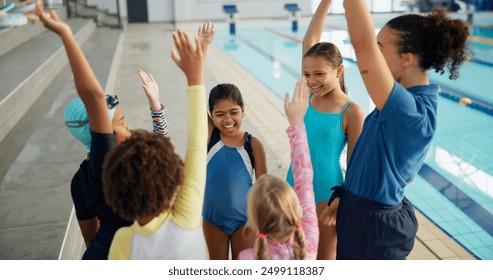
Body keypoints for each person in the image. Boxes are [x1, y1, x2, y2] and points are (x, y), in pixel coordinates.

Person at [322, 1, 469, 259]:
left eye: (381, 50)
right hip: (363, 214)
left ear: (406, 59)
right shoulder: (408, 106)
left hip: (373, 227)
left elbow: (362, 44)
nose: (374, 58)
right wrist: (347, 199)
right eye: (376, 49)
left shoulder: (408, 111)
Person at [35, 0, 168, 259]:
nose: (127, 125)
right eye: (120, 123)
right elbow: (94, 95)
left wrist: (156, 107)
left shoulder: (80, 180)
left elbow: (89, 237)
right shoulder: (107, 162)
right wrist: (66, 34)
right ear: (100, 134)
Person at [102, 28, 209, 260]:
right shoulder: (187, 216)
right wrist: (195, 79)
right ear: (171, 179)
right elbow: (198, 145)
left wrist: (156, 105)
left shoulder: (123, 241)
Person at [285, 0, 365, 260]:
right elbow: (310, 38)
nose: (311, 81)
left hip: (327, 193)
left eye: (319, 74)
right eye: (307, 75)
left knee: (324, 259)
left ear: (338, 70)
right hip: (291, 183)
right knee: (289, 254)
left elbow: (355, 166)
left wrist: (343, 200)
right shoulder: (308, 95)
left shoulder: (351, 111)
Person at [238, 78, 318, 260]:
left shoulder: (248, 258)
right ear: (297, 211)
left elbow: (304, 183)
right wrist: (296, 122)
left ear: (253, 220)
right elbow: (304, 180)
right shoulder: (309, 243)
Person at [202, 81, 268, 260]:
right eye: (219, 114)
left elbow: (263, 189)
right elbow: (196, 98)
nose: (228, 120)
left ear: (243, 110)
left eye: (234, 112)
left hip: (245, 220)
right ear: (211, 115)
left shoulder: (253, 145)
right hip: (213, 219)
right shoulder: (210, 138)